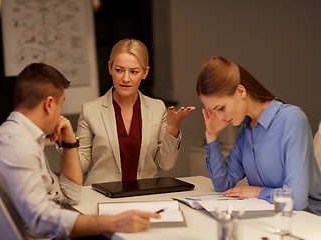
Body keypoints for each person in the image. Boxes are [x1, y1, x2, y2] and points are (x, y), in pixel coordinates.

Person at [0, 63, 160, 239]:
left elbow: (69, 196)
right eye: (61, 105)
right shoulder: (18, 147)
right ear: (49, 104)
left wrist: (70, 142)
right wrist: (113, 222)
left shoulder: (11, 137)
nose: (60, 114)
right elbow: (43, 221)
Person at [196, 56, 321, 215]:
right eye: (213, 111)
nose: (219, 117)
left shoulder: (292, 119)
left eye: (221, 108)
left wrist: (258, 192)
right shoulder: (247, 128)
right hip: (270, 218)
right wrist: (212, 134)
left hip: (308, 221)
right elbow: (223, 184)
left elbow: (295, 200)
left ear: (240, 91)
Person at [75, 38, 195, 185]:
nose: (126, 78)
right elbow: (80, 167)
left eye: (134, 71)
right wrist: (66, 142)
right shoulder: (90, 110)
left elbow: (166, 164)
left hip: (144, 195)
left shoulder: (158, 109)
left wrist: (172, 128)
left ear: (145, 73)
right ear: (109, 68)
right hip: (101, 197)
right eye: (119, 70)